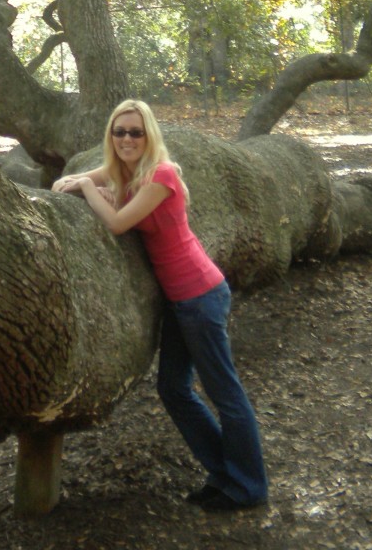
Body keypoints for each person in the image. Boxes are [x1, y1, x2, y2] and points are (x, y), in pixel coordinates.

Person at [51, 98, 269, 512]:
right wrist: (78, 180)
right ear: (110, 137)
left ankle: (249, 486)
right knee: (173, 389)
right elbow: (88, 175)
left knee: (225, 394)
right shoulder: (125, 169)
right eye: (119, 132)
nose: (127, 139)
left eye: (135, 131)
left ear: (149, 135)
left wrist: (84, 188)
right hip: (178, 300)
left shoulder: (161, 174)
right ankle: (223, 472)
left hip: (200, 295)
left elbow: (116, 223)